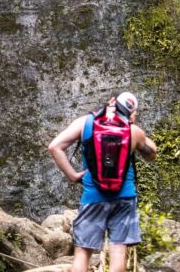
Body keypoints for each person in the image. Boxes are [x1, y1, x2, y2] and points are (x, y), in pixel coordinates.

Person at [47, 92, 158, 272]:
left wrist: (73, 176)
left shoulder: (85, 123)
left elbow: (54, 147)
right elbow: (152, 153)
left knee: (83, 252)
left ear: (112, 102)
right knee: (119, 251)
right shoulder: (134, 131)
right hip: (124, 198)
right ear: (131, 111)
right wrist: (134, 126)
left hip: (93, 197)